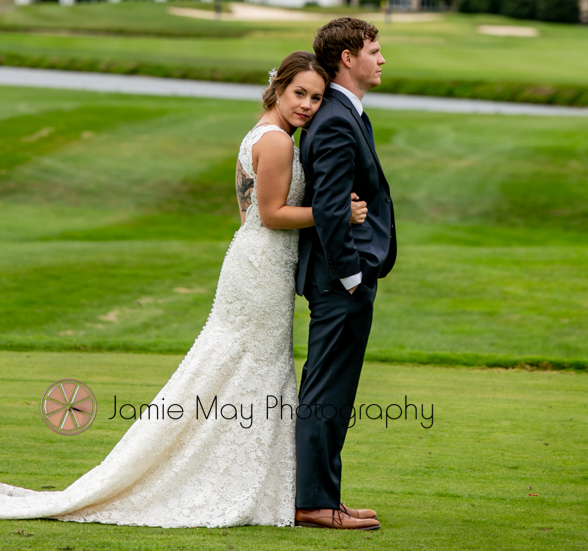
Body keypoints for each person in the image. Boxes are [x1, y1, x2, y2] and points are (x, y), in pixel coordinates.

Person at [0, 51, 369, 529]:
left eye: (317, 98)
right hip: (261, 266)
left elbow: (249, 215)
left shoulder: (259, 134)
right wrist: (336, 212)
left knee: (244, 368)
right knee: (252, 368)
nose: (308, 105)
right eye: (300, 93)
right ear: (278, 86)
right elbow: (274, 214)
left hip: (254, 261)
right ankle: (255, 489)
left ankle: (270, 488)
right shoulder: (276, 143)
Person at [295, 18, 397, 530]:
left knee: (332, 389)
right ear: (347, 59)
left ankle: (323, 496)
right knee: (328, 392)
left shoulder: (343, 112)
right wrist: (353, 277)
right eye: (374, 51)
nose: (382, 60)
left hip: (341, 277)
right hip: (340, 280)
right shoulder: (336, 118)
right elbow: (333, 209)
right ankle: (313, 503)